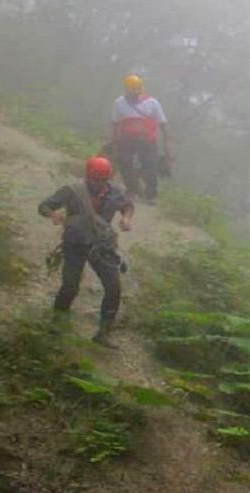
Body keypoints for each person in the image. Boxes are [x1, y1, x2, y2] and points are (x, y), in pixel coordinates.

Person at [39, 156, 133, 348]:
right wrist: (53, 215)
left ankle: (104, 332)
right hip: (75, 243)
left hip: (102, 245)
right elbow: (44, 206)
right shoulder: (73, 191)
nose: (98, 183)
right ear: (87, 175)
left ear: (108, 178)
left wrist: (126, 218)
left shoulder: (116, 192)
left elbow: (127, 205)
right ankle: (58, 323)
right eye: (94, 178)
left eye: (102, 179)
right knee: (70, 285)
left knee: (113, 287)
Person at [110, 74, 170, 203]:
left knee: (150, 167)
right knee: (124, 162)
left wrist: (166, 143)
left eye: (137, 92)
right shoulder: (119, 103)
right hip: (126, 140)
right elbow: (115, 123)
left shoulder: (152, 103)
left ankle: (151, 195)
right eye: (133, 92)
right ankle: (132, 190)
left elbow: (162, 123)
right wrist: (114, 140)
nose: (135, 95)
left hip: (147, 140)